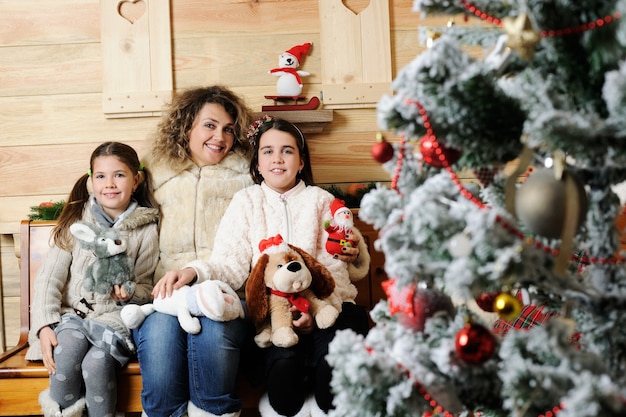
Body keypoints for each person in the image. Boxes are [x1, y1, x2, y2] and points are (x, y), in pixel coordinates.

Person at [157, 116, 371, 417]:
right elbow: (229, 262)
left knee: (332, 375)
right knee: (284, 382)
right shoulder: (247, 202)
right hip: (275, 315)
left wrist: (313, 309)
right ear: (257, 164)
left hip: (328, 308)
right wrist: (194, 271)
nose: (277, 159)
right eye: (268, 151)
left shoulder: (321, 201)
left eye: (287, 151)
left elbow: (332, 265)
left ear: (301, 161)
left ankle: (323, 398)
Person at [132, 85, 255, 417]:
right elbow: (113, 208)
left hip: (227, 293)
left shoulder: (248, 176)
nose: (220, 137)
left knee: (212, 338)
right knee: (159, 343)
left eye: (229, 129)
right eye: (210, 125)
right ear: (186, 126)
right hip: (165, 295)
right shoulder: (154, 173)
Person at [26, 141, 160, 417]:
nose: (109, 184)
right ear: (91, 181)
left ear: (136, 180)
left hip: (114, 321)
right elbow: (48, 279)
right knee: (67, 351)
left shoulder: (146, 229)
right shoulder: (77, 221)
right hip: (72, 316)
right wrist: (44, 325)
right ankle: (65, 412)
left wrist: (130, 293)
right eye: (101, 176)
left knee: (97, 364)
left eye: (119, 175)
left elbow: (148, 287)